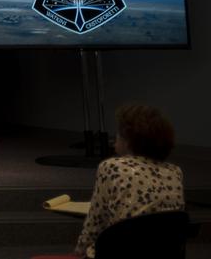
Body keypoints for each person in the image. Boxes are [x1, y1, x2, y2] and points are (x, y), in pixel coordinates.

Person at [51, 104, 183, 258]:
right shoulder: (175, 172)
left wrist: (79, 251)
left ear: (130, 140)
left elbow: (96, 221)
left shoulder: (113, 167)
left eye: (118, 134)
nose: (115, 139)